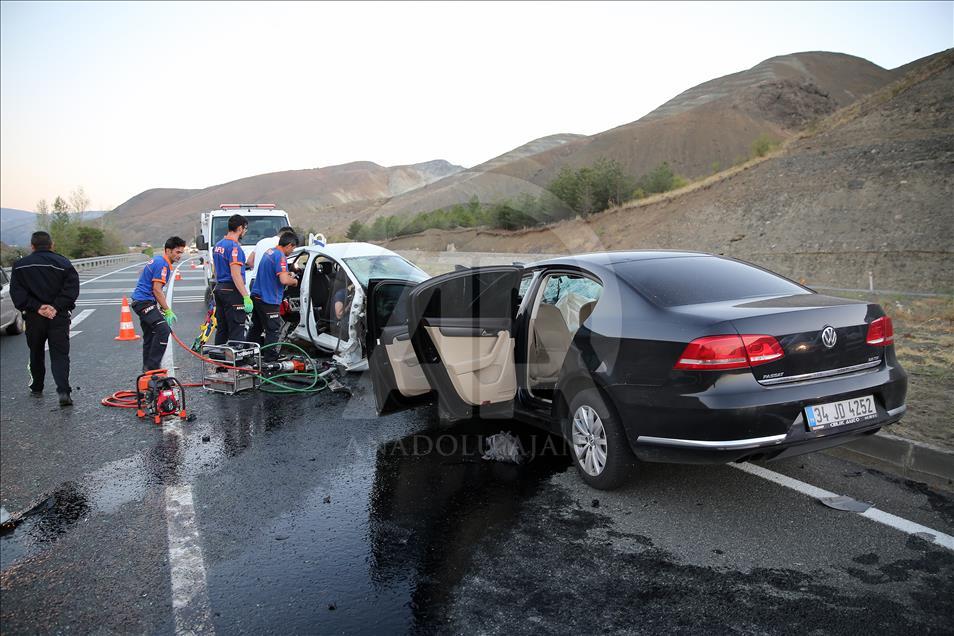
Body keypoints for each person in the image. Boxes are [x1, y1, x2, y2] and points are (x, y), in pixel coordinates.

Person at [9, 231, 80, 406]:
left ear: (32, 246)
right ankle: (63, 391)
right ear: (52, 244)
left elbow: (17, 294)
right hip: (59, 316)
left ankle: (37, 387)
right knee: (60, 355)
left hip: (33, 318)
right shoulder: (64, 263)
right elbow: (71, 291)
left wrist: (37, 307)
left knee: (36, 352)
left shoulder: (20, 266)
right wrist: (55, 307)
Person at [130, 236, 186, 371]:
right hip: (144, 302)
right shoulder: (163, 264)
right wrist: (167, 310)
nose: (180, 256)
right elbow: (156, 289)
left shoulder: (159, 260)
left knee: (151, 335)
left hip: (142, 302)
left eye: (181, 253)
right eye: (177, 252)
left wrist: (160, 307)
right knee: (163, 330)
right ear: (168, 250)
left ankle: (147, 371)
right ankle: (153, 368)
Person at [248, 232, 299, 361]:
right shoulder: (280, 256)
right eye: (293, 248)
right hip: (268, 299)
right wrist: (294, 281)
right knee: (273, 330)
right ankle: (270, 360)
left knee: (257, 327)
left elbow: (275, 273)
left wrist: (288, 274)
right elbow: (283, 281)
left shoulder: (269, 252)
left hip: (257, 295)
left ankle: (246, 355)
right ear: (288, 245)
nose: (292, 251)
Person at [212, 214, 253, 344]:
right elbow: (236, 275)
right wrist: (246, 296)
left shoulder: (218, 245)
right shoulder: (235, 248)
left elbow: (215, 270)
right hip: (231, 290)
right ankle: (235, 362)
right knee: (236, 327)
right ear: (240, 228)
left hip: (219, 288)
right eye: (245, 229)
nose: (245, 232)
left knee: (222, 327)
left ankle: (219, 359)